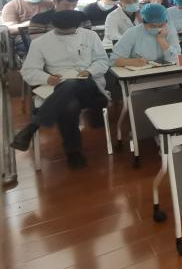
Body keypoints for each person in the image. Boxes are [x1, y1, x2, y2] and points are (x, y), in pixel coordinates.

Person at [10, 10, 109, 168]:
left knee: (72, 83)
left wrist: (89, 71)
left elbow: (103, 61)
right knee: (70, 105)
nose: (66, 34)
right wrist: (47, 78)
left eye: (70, 31)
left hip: (90, 87)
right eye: (61, 32)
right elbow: (29, 71)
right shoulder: (40, 43)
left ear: (77, 26)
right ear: (52, 26)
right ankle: (73, 152)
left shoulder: (90, 36)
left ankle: (34, 125)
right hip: (59, 89)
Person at [110, 4, 180, 67]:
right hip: (138, 74)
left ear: (166, 21)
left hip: (164, 72)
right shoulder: (132, 32)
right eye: (152, 26)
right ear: (143, 22)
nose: (157, 28)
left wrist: (162, 40)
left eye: (161, 25)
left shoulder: (170, 30)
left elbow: (176, 58)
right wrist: (132, 62)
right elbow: (113, 60)